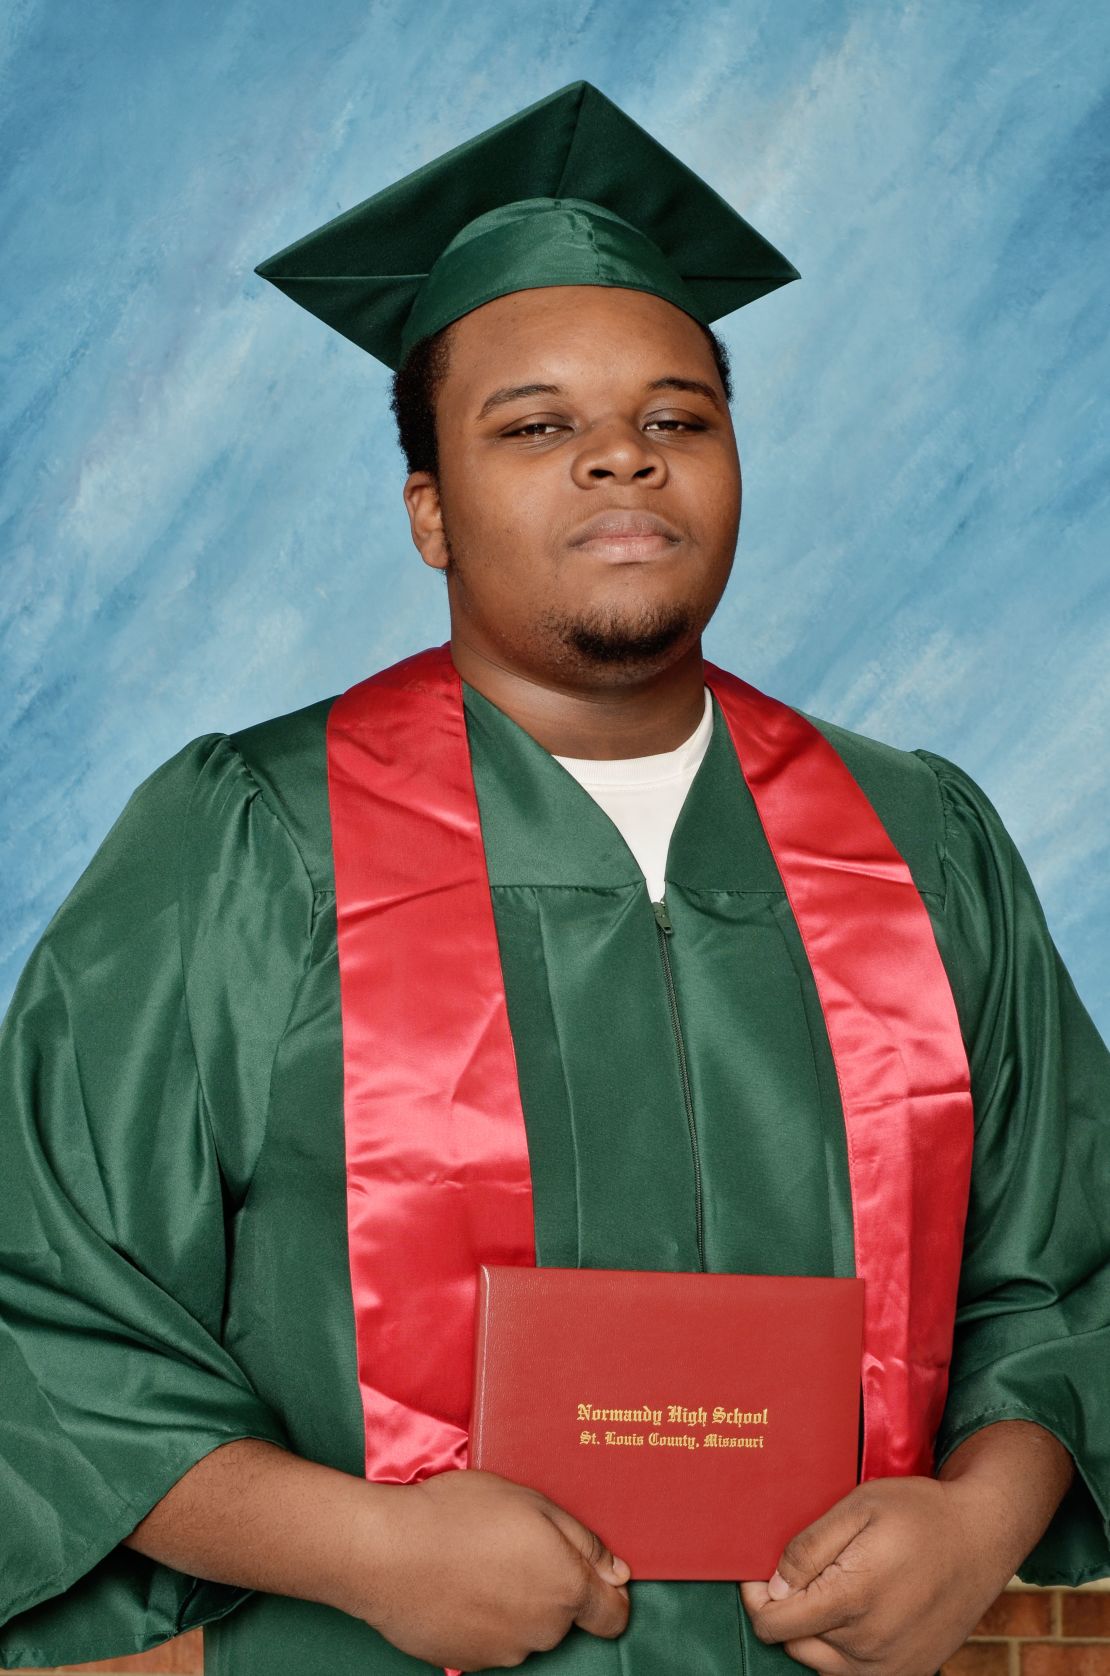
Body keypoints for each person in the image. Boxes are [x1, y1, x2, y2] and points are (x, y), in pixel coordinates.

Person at [1, 79, 1107, 1676]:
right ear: (428, 513)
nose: (621, 462)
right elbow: (45, 1304)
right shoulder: (246, 836)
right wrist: (364, 1548)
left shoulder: (919, 837)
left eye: (676, 418)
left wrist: (977, 1524)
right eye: (535, 427)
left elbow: (1063, 1261)